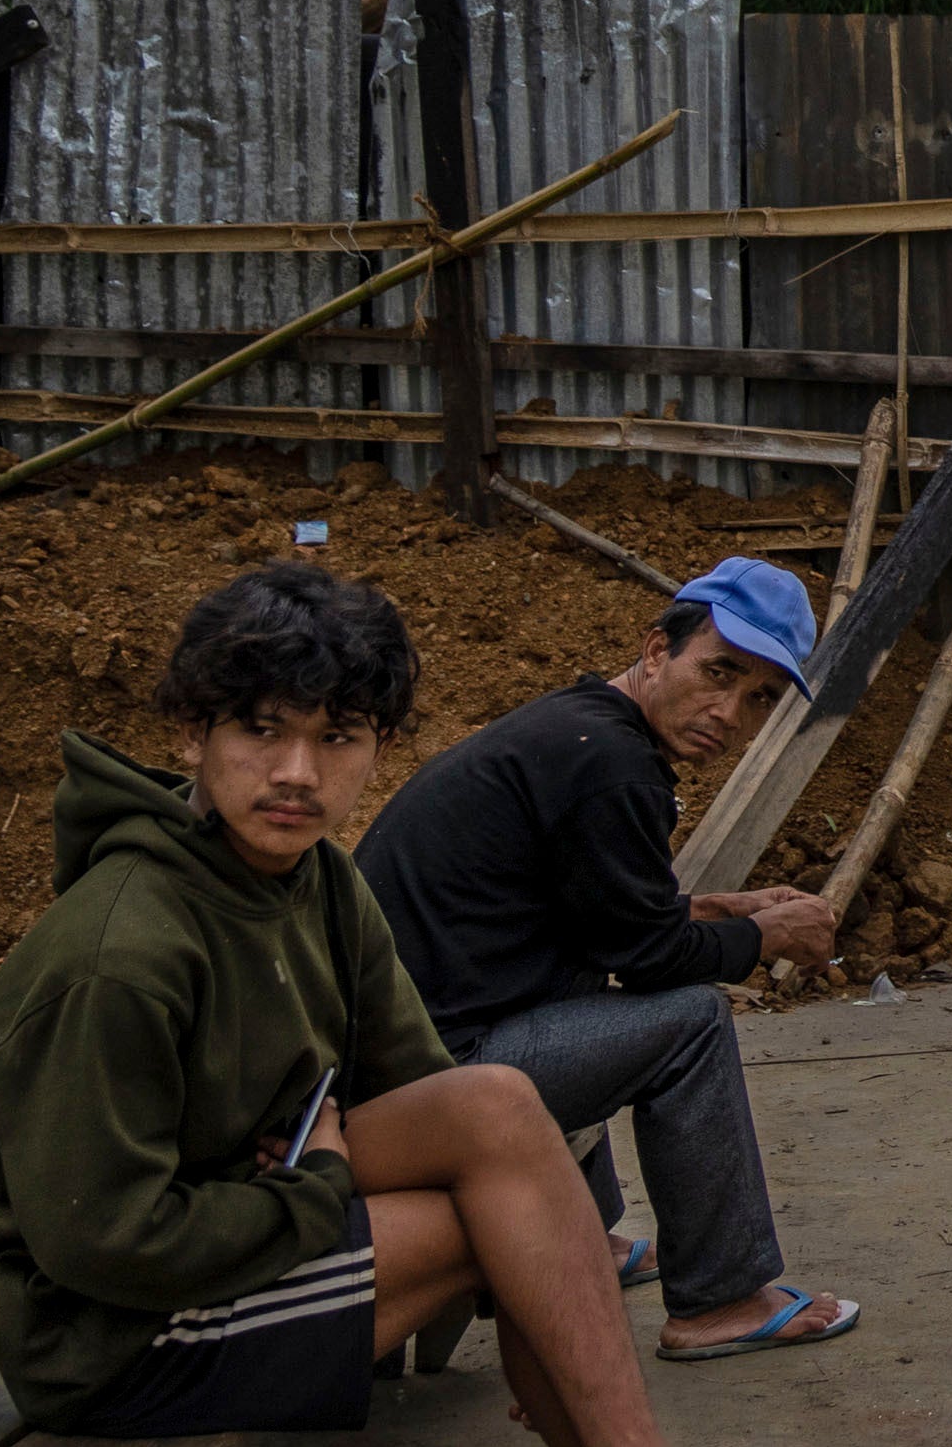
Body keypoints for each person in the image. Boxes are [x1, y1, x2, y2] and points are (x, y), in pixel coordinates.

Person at [0, 564, 846, 1447]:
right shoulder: (120, 951)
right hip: (113, 1337)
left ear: (376, 747)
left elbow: (435, 1095)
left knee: (499, 1117)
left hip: (243, 1209)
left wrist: (532, 1272)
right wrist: (321, 1185)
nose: (297, 772)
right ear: (190, 733)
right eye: (259, 731)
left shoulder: (313, 885)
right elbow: (106, 1244)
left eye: (338, 738)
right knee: (499, 1208)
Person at [356, 555, 859, 1362]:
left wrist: (725, 908)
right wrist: (762, 939)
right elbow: (652, 958)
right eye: (718, 672)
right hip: (437, 1077)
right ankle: (721, 1297)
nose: (728, 712)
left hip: (413, 1053)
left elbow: (601, 915)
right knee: (689, 1022)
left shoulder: (580, 727)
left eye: (758, 697)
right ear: (657, 649)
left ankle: (585, 1232)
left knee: (592, 998)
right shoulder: (612, 765)